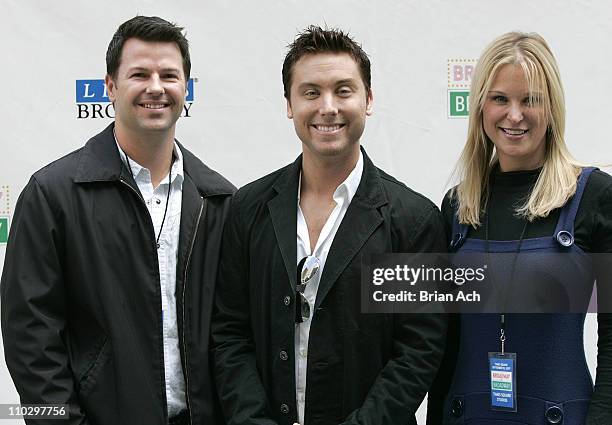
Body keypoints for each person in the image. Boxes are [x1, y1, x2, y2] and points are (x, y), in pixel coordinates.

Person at [1, 16, 234, 425]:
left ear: (186, 89)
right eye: (139, 74)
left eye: (169, 75)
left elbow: (236, 335)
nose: (156, 87)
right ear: (110, 86)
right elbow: (30, 338)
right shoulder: (52, 194)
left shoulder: (218, 199)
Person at [211, 25, 448, 425]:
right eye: (310, 92)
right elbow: (229, 334)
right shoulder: (248, 208)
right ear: (289, 103)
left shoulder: (413, 219)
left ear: (368, 99)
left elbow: (417, 350)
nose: (327, 107)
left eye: (343, 90)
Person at [427, 32, 612, 425]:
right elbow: (447, 345)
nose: (514, 115)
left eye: (531, 99)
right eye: (500, 99)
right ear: (479, 107)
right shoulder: (457, 207)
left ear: (552, 107)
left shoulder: (596, 196)